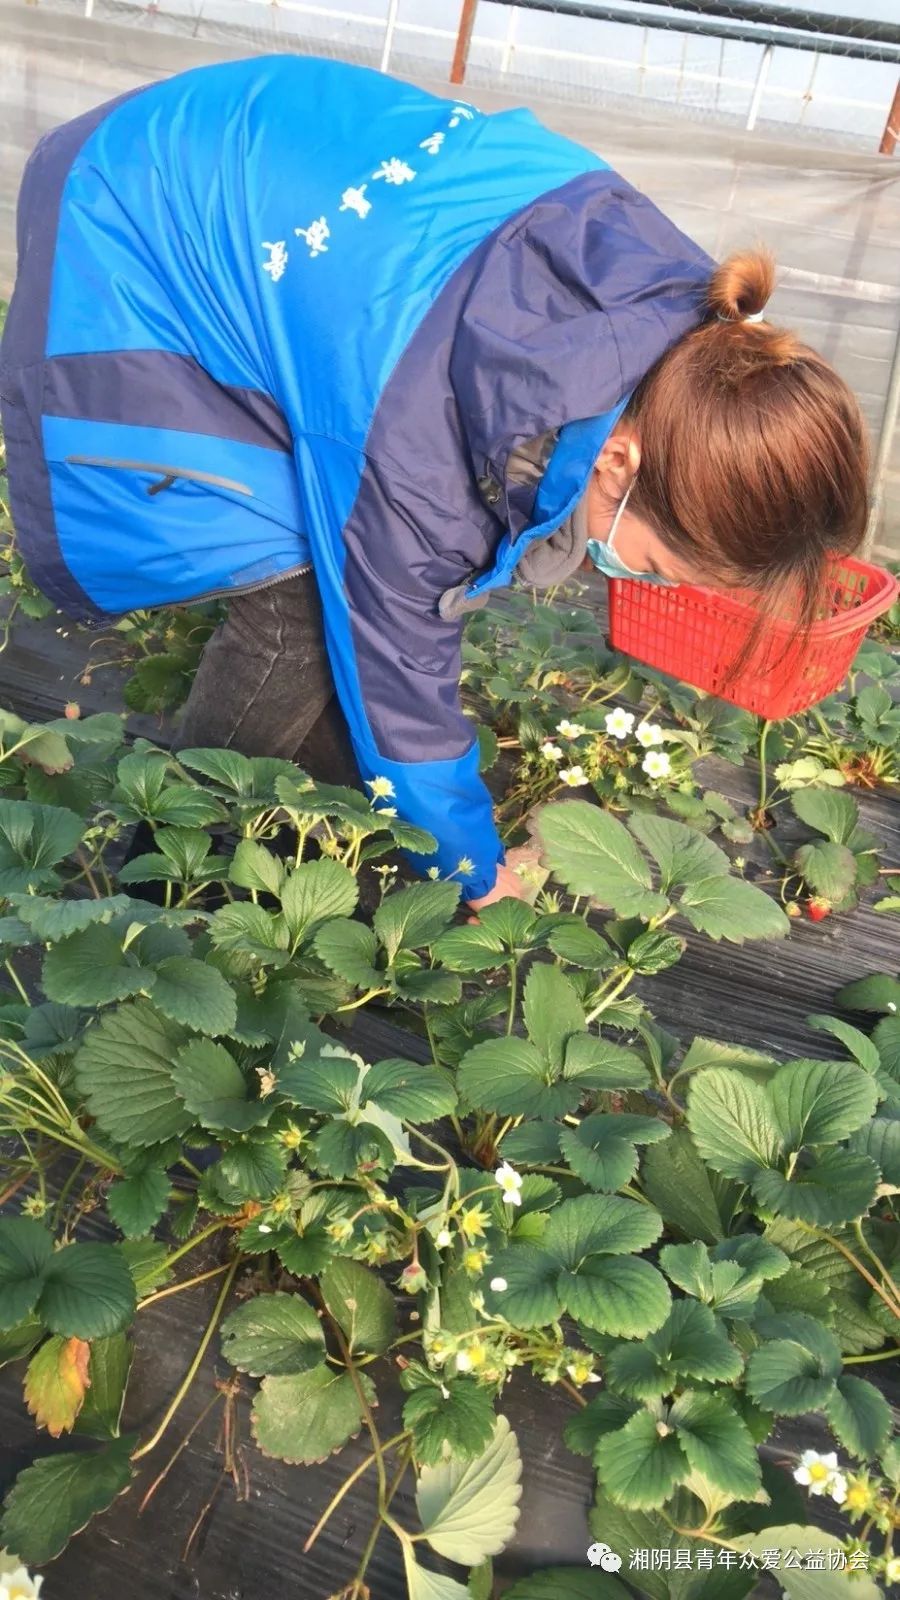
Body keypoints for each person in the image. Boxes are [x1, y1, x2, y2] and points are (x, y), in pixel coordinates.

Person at [0, 56, 869, 911]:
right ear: (621, 461)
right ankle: (169, 856)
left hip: (272, 164)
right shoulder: (412, 439)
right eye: (660, 565)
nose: (643, 579)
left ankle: (337, 800)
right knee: (297, 592)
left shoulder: (689, 332)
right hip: (132, 206)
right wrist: (471, 869)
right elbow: (397, 664)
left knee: (342, 576)